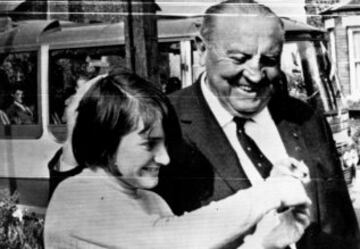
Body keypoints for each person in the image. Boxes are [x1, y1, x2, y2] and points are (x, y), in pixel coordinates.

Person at [157, 1, 360, 249]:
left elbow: (342, 229)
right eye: (239, 58)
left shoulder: (305, 118)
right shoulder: (164, 125)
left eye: (269, 60)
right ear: (202, 48)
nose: (254, 75)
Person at [44, 71, 311, 249]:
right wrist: (267, 194)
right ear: (105, 138)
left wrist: (264, 242)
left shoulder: (150, 201)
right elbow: (172, 239)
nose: (164, 158)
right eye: (149, 143)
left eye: (164, 143)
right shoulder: (76, 195)